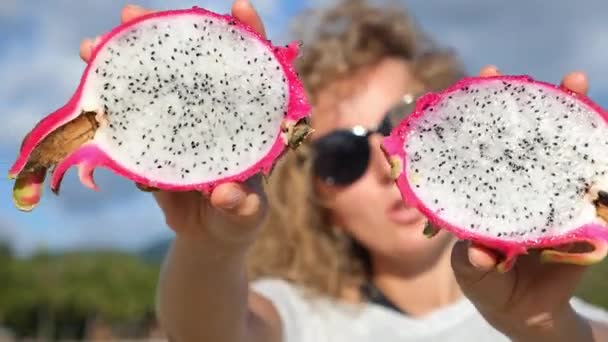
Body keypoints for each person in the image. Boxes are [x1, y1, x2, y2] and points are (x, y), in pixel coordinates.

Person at [79, 0, 608, 341]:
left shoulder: (574, 320)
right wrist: (208, 249)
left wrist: (549, 330)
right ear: (321, 205)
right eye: (342, 154)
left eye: (405, 121)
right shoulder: (300, 318)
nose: (384, 162)